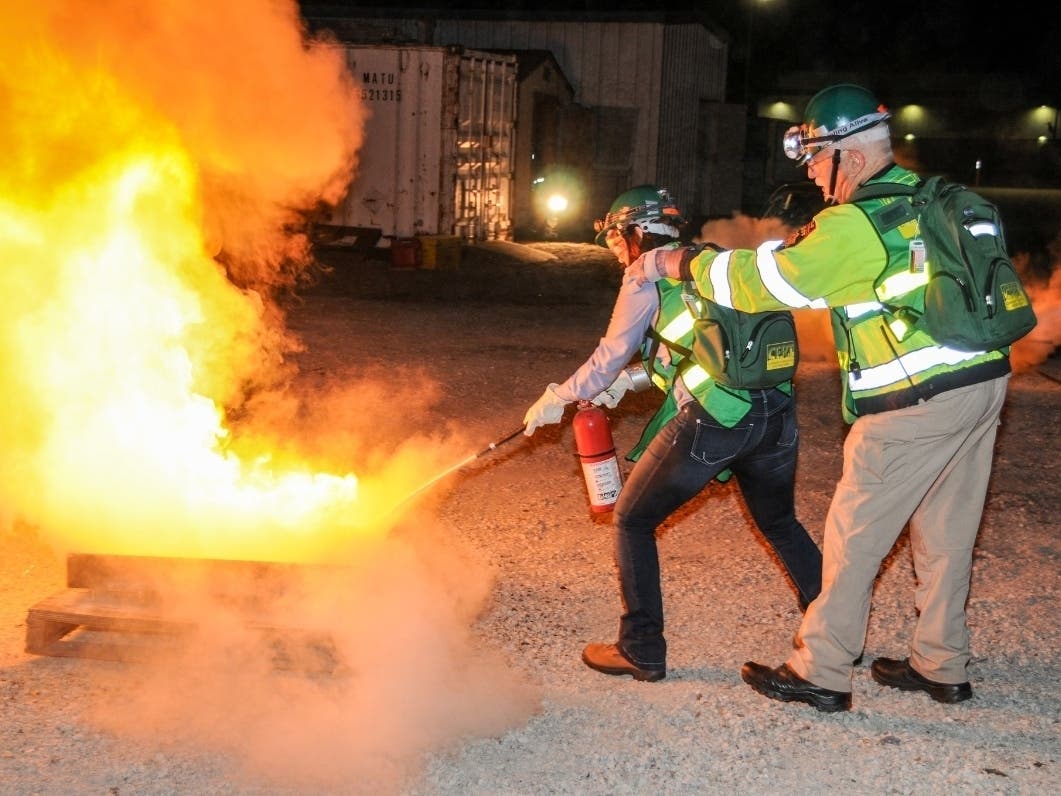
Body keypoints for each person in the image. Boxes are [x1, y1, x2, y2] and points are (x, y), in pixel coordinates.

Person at [626, 84, 1012, 711]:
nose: (809, 170)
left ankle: (822, 671)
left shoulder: (856, 221)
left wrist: (685, 264)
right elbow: (811, 262)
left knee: (854, 537)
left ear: (849, 156)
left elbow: (768, 284)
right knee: (946, 530)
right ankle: (941, 663)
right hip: (982, 383)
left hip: (914, 401)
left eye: (814, 156)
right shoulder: (922, 198)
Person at [523, 185, 822, 682]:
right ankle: (836, 638)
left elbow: (609, 354)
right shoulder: (713, 260)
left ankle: (641, 649)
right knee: (782, 524)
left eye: (616, 242)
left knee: (632, 521)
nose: (617, 255)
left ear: (633, 231)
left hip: (719, 421)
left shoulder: (645, 273)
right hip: (776, 414)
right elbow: (697, 350)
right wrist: (629, 382)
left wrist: (560, 395)